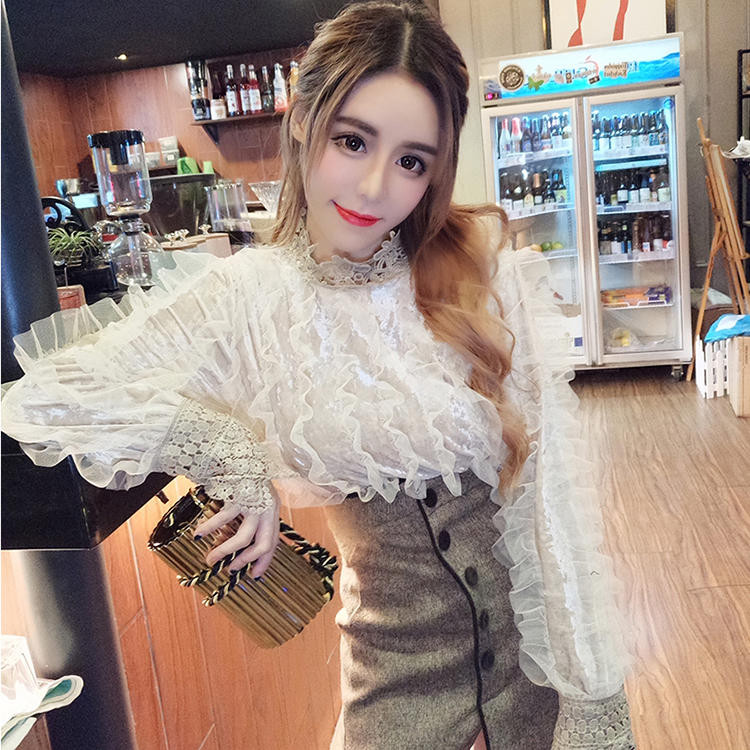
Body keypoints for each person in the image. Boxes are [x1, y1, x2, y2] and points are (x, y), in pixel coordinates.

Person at [1, 2, 636, 749]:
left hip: (538, 665)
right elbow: (50, 395)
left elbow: (551, 500)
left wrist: (593, 695)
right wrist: (228, 454)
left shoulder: (483, 268)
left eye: (411, 161)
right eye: (352, 140)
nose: (373, 187)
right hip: (396, 674)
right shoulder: (249, 297)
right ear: (304, 120)